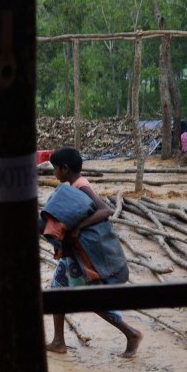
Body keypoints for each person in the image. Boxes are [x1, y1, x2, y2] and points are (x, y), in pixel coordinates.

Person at [42, 146, 142, 358]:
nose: (54, 173)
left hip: (84, 255)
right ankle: (59, 341)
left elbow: (105, 210)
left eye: (55, 169)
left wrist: (79, 227)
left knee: (91, 299)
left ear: (64, 168)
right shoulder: (72, 186)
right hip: (73, 254)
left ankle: (131, 333)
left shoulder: (81, 186)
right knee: (57, 291)